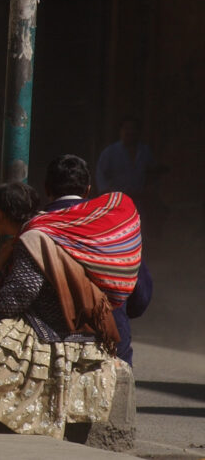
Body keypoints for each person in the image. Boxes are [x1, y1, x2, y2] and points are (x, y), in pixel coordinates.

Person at [0, 168, 140, 439]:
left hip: (55, 326)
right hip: (83, 326)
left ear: (0, 216)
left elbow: (22, 291)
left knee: (3, 339)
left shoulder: (33, 238)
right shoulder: (61, 229)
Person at [42, 154, 152, 366]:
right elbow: (140, 297)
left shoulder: (35, 230)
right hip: (112, 352)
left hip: (50, 355)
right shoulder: (115, 226)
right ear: (87, 190)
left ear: (47, 189)